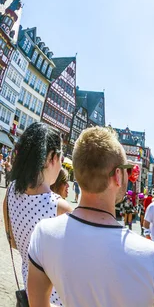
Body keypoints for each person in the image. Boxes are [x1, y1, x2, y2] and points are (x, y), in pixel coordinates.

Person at [27, 126, 154, 306]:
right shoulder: (152, 256)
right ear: (117, 175)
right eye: (127, 169)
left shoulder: (44, 233)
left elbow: (37, 303)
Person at [2, 123, 72, 306]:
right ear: (50, 158)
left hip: (29, 289)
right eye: (61, 157)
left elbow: (12, 241)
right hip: (56, 300)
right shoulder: (61, 208)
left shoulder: (10, 190)